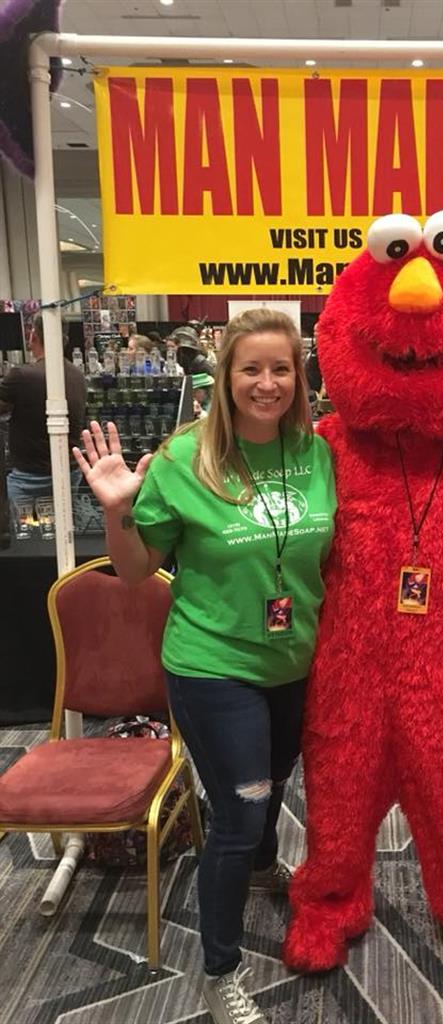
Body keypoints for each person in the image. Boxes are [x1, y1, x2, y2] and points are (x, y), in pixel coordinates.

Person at [73, 308, 337, 1024]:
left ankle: (262, 868)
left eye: (281, 368)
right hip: (213, 665)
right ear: (224, 377)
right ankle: (220, 971)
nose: (266, 383)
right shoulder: (184, 459)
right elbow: (136, 572)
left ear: (299, 377)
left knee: (274, 780)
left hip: (294, 658)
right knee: (238, 813)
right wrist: (119, 511)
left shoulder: (317, 453)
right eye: (251, 368)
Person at [0, 313, 86, 515]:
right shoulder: (77, 375)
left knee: (26, 531)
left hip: (29, 476)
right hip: (69, 471)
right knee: (63, 527)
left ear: (33, 336)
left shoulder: (22, 375)